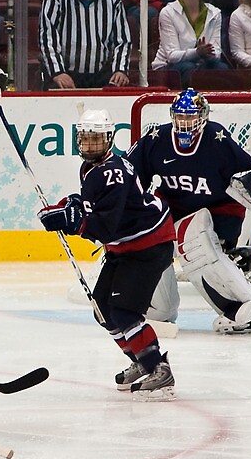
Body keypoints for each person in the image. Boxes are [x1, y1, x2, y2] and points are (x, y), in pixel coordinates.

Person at [38, 109, 177, 400]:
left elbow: (106, 227)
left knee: (125, 311)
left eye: (96, 140)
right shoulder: (90, 168)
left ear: (109, 139)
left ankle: (159, 369)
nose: (90, 146)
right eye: (85, 140)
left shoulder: (113, 172)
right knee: (103, 309)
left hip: (147, 245)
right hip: (126, 247)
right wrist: (66, 208)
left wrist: (72, 222)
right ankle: (141, 361)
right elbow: (92, 204)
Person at [126, 89, 251, 334]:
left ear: (203, 117)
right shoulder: (157, 139)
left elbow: (250, 170)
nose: (185, 123)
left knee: (197, 244)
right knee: (149, 244)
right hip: (173, 208)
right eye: (181, 117)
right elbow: (128, 173)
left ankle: (245, 309)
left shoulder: (216, 138)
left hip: (220, 209)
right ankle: (158, 310)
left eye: (191, 117)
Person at [38, 0, 131, 89]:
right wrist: (58, 72)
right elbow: (47, 37)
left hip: (101, 75)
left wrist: (120, 69)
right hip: (64, 73)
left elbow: (122, 41)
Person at [151, 0, 228, 87]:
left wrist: (207, 53)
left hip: (203, 62)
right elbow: (171, 56)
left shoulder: (215, 13)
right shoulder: (168, 12)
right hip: (169, 66)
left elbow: (217, 51)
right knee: (190, 69)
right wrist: (197, 52)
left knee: (222, 68)